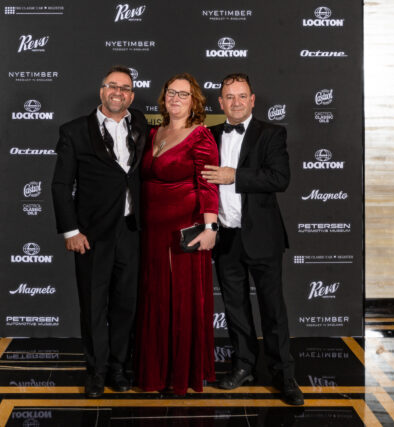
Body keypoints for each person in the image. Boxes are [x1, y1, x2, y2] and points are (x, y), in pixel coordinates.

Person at [201, 73, 304, 405]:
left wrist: (234, 175)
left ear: (252, 100)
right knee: (235, 310)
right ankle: (243, 365)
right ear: (220, 102)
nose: (236, 102)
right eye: (229, 97)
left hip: (262, 237)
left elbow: (279, 178)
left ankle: (284, 375)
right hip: (225, 238)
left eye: (242, 96)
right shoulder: (209, 135)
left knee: (273, 310)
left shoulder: (271, 134)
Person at [51, 65, 147, 398]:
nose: (118, 92)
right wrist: (71, 232)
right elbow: (61, 185)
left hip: (132, 231)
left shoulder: (142, 125)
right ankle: (96, 371)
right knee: (93, 307)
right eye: (112, 86)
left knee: (125, 305)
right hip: (91, 235)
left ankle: (118, 368)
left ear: (131, 96)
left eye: (125, 88)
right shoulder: (75, 131)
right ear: (102, 90)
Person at [135, 73, 219, 395]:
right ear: (164, 97)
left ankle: (180, 374)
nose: (176, 99)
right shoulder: (154, 132)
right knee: (156, 299)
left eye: (184, 94)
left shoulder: (200, 136)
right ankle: (155, 371)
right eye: (171, 92)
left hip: (183, 233)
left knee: (180, 300)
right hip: (152, 234)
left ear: (194, 101)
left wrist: (210, 227)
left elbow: (208, 184)